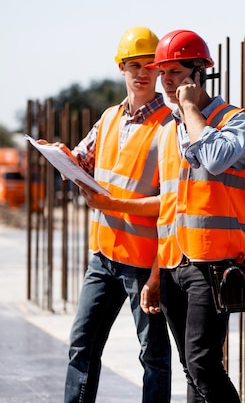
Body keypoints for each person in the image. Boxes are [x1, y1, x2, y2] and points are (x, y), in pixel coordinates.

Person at [41, 26, 173, 403]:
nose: (143, 73)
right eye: (134, 65)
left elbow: (172, 204)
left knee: (154, 358)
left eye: (151, 65)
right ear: (121, 67)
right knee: (82, 346)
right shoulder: (110, 118)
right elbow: (83, 160)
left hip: (144, 261)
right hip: (103, 256)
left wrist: (156, 274)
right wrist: (61, 156)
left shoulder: (169, 126)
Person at [149, 29, 245, 403]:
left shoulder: (237, 120)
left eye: (176, 72)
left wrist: (192, 109)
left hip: (215, 263)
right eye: (162, 73)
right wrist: (154, 273)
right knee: (190, 367)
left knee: (203, 364)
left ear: (199, 74)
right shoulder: (169, 129)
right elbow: (168, 205)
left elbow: (215, 160)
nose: (166, 81)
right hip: (173, 263)